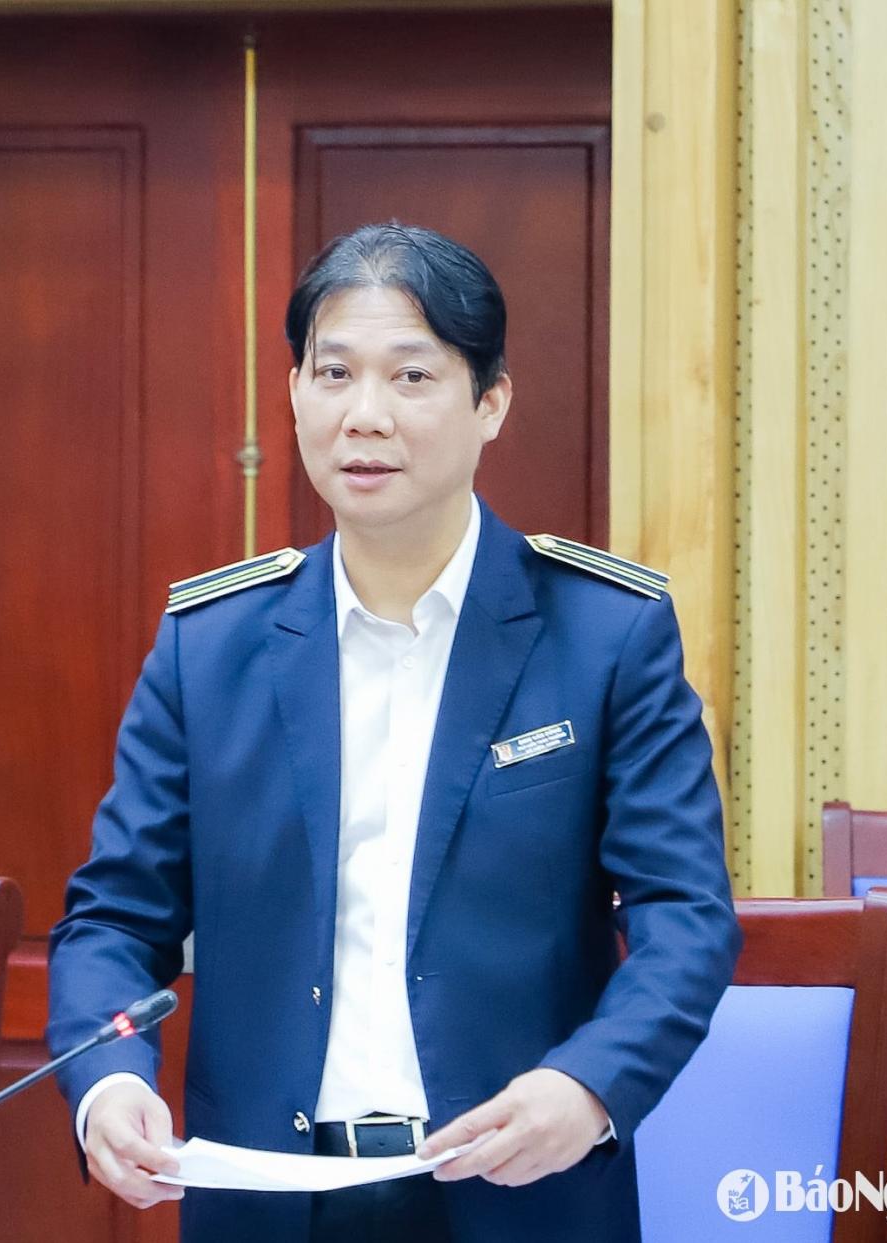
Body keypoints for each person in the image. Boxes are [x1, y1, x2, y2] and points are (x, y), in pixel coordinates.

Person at [46, 221, 741, 1241]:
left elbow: (685, 916)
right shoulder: (211, 645)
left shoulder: (605, 634)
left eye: (411, 376)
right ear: (294, 394)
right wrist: (107, 1081)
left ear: (490, 401)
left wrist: (589, 1085)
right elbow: (113, 919)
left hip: (519, 1195)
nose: (364, 415)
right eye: (333, 373)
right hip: (267, 1199)